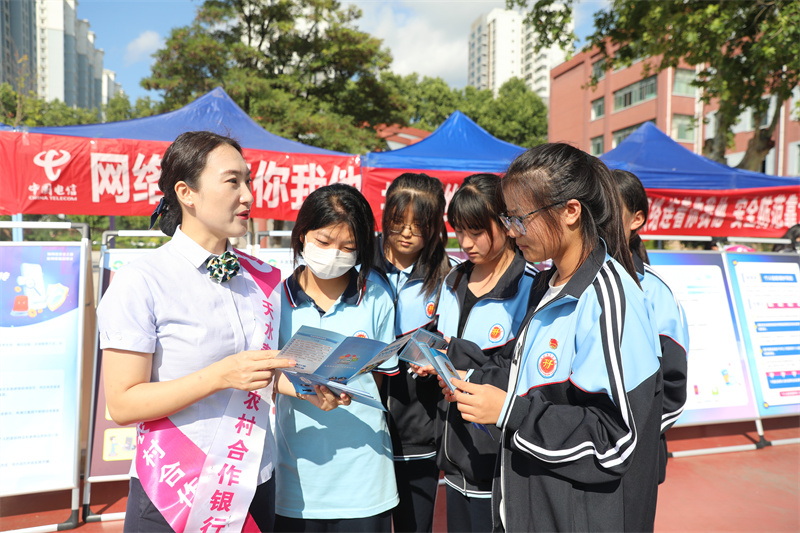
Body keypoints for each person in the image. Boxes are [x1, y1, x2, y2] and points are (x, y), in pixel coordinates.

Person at [97, 131, 345, 533]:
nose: (248, 195)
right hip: (173, 489)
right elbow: (123, 403)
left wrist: (307, 388)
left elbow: (260, 372)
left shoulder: (262, 279)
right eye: (233, 182)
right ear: (187, 193)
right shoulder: (141, 281)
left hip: (253, 480)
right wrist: (219, 376)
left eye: (249, 181)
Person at [436, 144, 664, 532]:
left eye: (520, 218)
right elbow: (520, 370)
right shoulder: (548, 284)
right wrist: (470, 382)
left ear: (570, 211)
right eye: (508, 218)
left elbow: (616, 440)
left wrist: (509, 413)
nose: (512, 231)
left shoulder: (608, 299)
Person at [273, 183, 400, 533]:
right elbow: (263, 377)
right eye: (325, 241)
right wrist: (303, 391)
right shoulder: (275, 300)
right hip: (296, 480)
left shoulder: (376, 296)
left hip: (366, 478)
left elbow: (378, 378)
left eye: (348, 247)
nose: (334, 255)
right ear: (302, 234)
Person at [435, 173, 536, 532]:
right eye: (459, 231)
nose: (465, 243)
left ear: (506, 224)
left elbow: (522, 371)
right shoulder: (453, 280)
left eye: (476, 231)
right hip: (453, 450)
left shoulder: (530, 287)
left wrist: (464, 368)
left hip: (499, 459)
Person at [372, 173, 452, 533]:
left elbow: (454, 346)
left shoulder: (448, 277)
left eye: (418, 225)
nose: (406, 233)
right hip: (360, 429)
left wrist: (436, 359)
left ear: (434, 226)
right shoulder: (358, 266)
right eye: (397, 222)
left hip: (419, 431)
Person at [612, 169, 690, 484]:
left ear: (637, 219)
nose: (599, 218)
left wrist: (627, 438)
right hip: (583, 458)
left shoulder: (654, 292)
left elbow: (673, 387)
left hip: (636, 461)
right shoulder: (567, 284)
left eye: (610, 209)